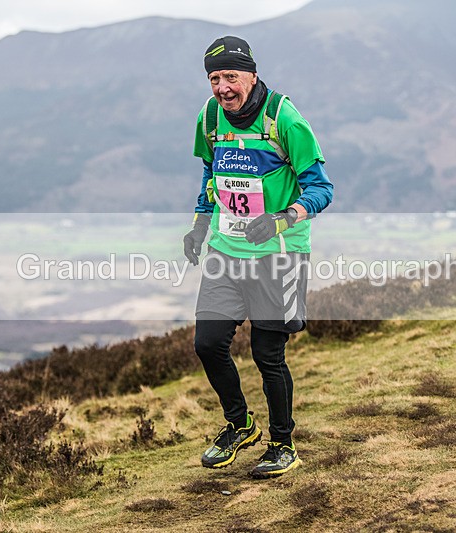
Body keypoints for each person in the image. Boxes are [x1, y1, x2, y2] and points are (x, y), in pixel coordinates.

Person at [183, 36, 333, 479]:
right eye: (215, 78)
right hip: (226, 250)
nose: (223, 88)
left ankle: (282, 444)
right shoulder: (209, 118)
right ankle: (239, 424)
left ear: (251, 74)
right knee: (207, 344)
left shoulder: (284, 118)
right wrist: (199, 224)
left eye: (231, 76)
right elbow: (212, 172)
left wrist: (281, 219)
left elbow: (322, 189)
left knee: (268, 354)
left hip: (278, 253)